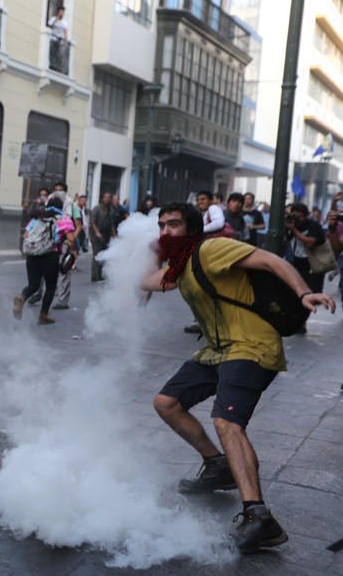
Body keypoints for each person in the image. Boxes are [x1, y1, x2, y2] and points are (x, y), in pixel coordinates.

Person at [143, 202, 334, 553]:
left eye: (173, 225)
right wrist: (148, 254)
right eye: (161, 226)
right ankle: (218, 465)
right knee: (166, 403)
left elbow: (271, 261)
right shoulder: (180, 265)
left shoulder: (212, 248)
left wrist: (305, 292)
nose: (165, 231)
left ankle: (259, 517)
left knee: (227, 422)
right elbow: (147, 281)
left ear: (192, 228)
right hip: (217, 350)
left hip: (251, 346)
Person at [13, 195, 76, 324]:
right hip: (50, 256)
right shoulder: (62, 219)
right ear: (61, 206)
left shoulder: (36, 218)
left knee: (33, 285)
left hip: (32, 256)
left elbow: (26, 235)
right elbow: (71, 238)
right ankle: (43, 315)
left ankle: (22, 297)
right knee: (51, 286)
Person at [285, 202, 328, 334]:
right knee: (292, 293)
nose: (297, 219)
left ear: (306, 216)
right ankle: (296, 320)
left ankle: (302, 321)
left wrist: (294, 230)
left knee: (310, 293)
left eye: (300, 217)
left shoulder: (313, 226)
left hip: (312, 263)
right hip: (295, 261)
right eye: (295, 216)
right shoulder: (290, 224)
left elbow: (310, 241)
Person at [90, 192, 115, 282]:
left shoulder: (110, 210)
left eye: (109, 197)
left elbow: (111, 224)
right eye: (106, 197)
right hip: (96, 235)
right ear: (102, 198)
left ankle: (100, 274)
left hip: (106, 234)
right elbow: (92, 222)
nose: (107, 199)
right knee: (97, 254)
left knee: (104, 254)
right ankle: (95, 276)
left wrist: (114, 236)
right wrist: (97, 233)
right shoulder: (96, 209)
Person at [47, 6, 69, 70]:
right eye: (61, 12)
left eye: (63, 12)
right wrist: (56, 19)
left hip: (59, 40)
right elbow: (50, 26)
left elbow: (65, 32)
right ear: (58, 12)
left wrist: (65, 42)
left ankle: (56, 65)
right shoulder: (53, 19)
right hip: (53, 38)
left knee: (58, 53)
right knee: (52, 52)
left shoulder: (64, 22)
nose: (62, 14)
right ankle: (50, 63)